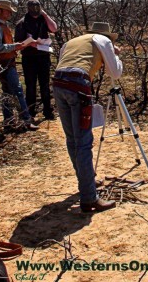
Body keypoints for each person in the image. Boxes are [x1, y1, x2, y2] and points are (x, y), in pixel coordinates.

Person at [52, 22, 123, 212]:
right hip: (78, 84)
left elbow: (63, 65)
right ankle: (89, 197)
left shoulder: (72, 41)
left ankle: (86, 182)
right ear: (107, 36)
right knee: (83, 142)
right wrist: (116, 55)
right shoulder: (103, 41)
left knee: (72, 139)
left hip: (58, 83)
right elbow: (115, 72)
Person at [0, 0, 39, 132]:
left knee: (8, 93)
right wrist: (15, 46)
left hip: (8, 63)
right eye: (7, 10)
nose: (10, 13)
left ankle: (8, 122)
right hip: (5, 64)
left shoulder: (3, 26)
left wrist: (16, 46)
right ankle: (26, 121)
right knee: (18, 91)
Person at [15, 0, 57, 120]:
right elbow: (18, 43)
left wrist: (45, 14)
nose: (35, 10)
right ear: (28, 9)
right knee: (30, 85)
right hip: (29, 58)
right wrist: (30, 43)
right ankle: (31, 112)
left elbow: (54, 29)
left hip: (43, 56)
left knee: (45, 84)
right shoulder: (22, 22)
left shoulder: (43, 19)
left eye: (37, 8)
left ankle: (47, 111)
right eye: (33, 8)